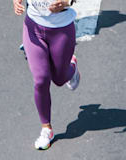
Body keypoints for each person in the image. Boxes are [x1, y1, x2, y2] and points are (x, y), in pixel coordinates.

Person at [14, 0, 81, 150]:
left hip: (61, 29)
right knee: (41, 79)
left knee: (59, 79)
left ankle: (71, 68)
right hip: (33, 27)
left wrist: (67, 1)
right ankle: (46, 129)